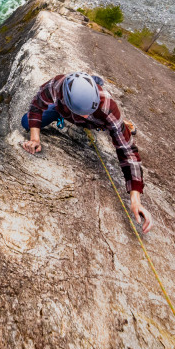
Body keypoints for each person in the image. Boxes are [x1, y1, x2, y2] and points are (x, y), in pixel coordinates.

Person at [21, 72, 152, 232]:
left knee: (109, 126)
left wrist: (135, 199)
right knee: (26, 121)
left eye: (88, 111)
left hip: (98, 121)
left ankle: (122, 124)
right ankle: (69, 114)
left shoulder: (107, 107)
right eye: (82, 112)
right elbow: (37, 104)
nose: (85, 115)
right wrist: (35, 138)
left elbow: (127, 152)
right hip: (63, 110)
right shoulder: (57, 85)